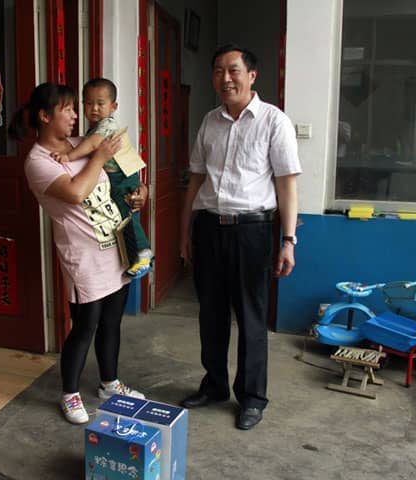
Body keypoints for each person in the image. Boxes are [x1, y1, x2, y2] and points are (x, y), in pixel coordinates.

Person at [179, 44, 301, 430]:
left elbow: (287, 186)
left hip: (253, 230)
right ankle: (214, 385)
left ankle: (251, 397)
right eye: (218, 71)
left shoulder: (274, 121)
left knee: (251, 317)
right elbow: (195, 181)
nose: (225, 78)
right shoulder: (209, 121)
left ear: (251, 75)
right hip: (209, 228)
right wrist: (185, 232)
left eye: (233, 70)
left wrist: (288, 241)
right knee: (211, 314)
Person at [12, 82, 147, 425]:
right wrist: (97, 157)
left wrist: (140, 192)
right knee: (85, 326)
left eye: (76, 108)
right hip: (83, 257)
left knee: (112, 321)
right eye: (69, 109)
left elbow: (122, 173)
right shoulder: (38, 161)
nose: (77, 115)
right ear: (45, 116)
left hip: (116, 247)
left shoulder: (80, 144)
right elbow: (75, 193)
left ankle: (109, 384)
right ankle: (69, 393)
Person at [50, 78, 152, 278]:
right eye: (88, 103)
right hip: (118, 177)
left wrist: (68, 157)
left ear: (113, 107)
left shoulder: (107, 125)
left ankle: (143, 253)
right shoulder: (94, 129)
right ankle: (133, 257)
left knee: (126, 215)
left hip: (121, 177)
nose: (94, 108)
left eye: (100, 103)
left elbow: (92, 145)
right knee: (120, 216)